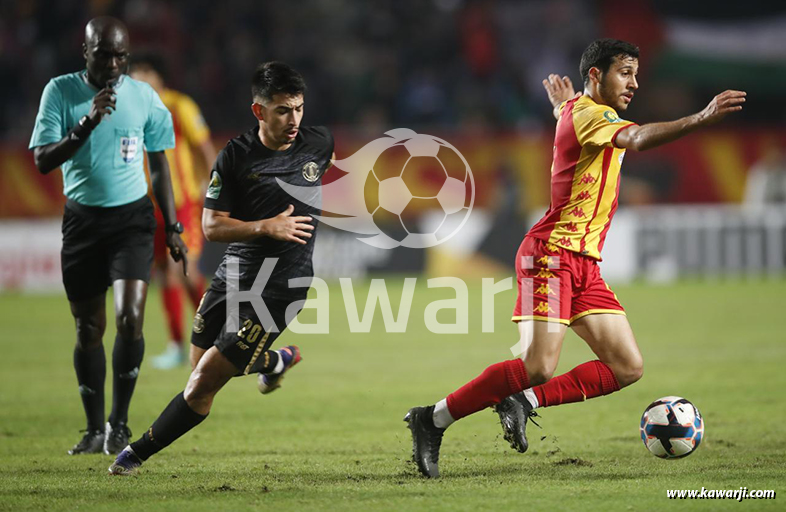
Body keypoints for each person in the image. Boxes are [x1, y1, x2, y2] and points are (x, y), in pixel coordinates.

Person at [404, 38, 746, 478]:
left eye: (636, 74)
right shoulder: (593, 115)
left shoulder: (579, 113)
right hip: (551, 254)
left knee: (626, 366)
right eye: (625, 72)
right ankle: (432, 419)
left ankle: (523, 402)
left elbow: (578, 119)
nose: (634, 83)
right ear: (595, 75)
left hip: (585, 262)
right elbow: (638, 139)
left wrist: (564, 107)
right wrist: (701, 117)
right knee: (537, 365)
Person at [108, 61, 335, 475]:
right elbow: (211, 226)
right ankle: (274, 361)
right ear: (259, 111)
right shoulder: (235, 157)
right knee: (201, 367)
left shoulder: (319, 143)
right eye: (283, 110)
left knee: (201, 386)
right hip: (234, 275)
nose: (294, 120)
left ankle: (133, 455)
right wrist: (267, 225)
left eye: (299, 108)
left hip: (281, 288)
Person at [29, 17, 187, 456]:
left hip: (133, 221)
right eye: (104, 55)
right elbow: (42, 160)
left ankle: (119, 424)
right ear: (86, 52)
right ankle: (93, 428)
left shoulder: (144, 97)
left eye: (122, 55)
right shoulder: (60, 93)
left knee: (129, 318)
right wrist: (86, 123)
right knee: (87, 328)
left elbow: (159, 164)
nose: (114, 63)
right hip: (82, 223)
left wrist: (172, 225)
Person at [129, 53, 217, 369]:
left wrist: (215, 185)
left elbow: (204, 146)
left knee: (183, 267)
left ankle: (210, 332)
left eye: (143, 70)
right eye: (133, 71)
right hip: (147, 204)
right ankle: (178, 345)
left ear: (157, 76)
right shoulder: (130, 109)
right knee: (165, 273)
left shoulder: (179, 105)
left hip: (182, 201)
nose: (137, 76)